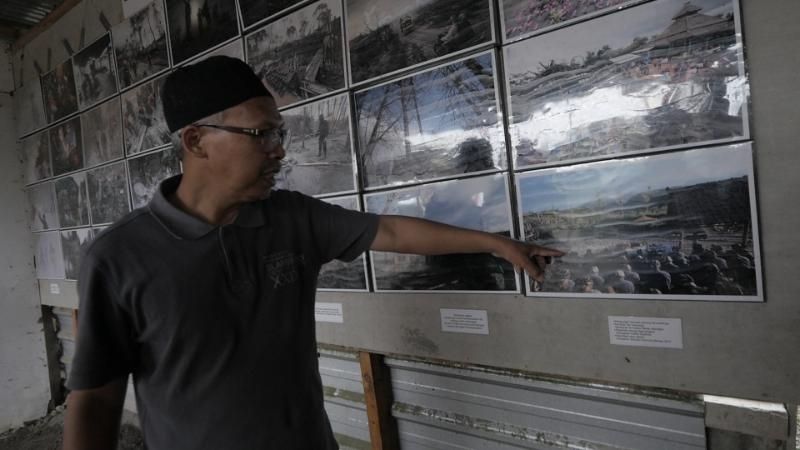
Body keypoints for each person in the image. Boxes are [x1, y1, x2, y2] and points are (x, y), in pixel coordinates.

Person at [62, 56, 563, 450]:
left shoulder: (291, 218)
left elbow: (388, 230)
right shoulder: (119, 258)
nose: (279, 149)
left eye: (279, 133)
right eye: (262, 134)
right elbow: (96, 403)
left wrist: (496, 242)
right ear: (196, 141)